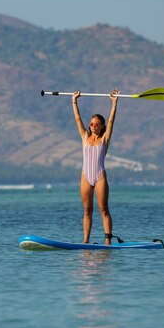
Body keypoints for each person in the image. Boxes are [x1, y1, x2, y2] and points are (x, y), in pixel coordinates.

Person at [72, 89, 120, 245]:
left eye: (96, 124)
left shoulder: (104, 139)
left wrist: (114, 103)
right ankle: (85, 241)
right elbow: (77, 118)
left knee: (103, 210)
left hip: (99, 176)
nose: (93, 126)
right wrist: (74, 100)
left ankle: (108, 242)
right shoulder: (85, 136)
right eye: (91, 124)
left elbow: (112, 122)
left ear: (101, 126)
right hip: (85, 176)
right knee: (87, 211)